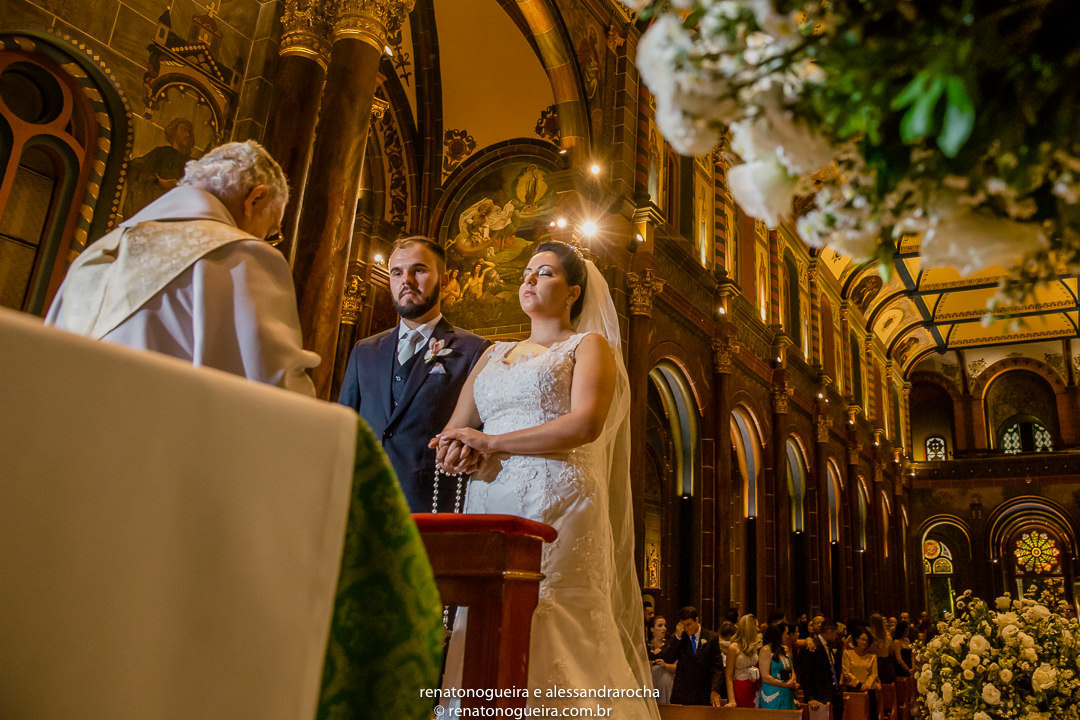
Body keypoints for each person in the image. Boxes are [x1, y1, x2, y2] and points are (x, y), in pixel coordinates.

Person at [433, 241, 658, 719]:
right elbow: (458, 426)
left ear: (574, 291)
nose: (530, 281)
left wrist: (491, 443)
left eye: (546, 273)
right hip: (492, 501)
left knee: (551, 613)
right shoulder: (494, 354)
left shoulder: (588, 346)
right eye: (527, 273)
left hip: (559, 500)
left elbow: (584, 425)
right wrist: (455, 450)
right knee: (486, 620)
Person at [47, 141, 318, 394]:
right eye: (271, 230)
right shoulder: (240, 256)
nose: (266, 241)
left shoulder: (95, 254)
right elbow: (274, 393)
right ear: (255, 199)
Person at [338, 236, 489, 512]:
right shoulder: (364, 351)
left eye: (418, 270)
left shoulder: (475, 351)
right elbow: (344, 427)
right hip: (364, 504)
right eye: (397, 272)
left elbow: (480, 432)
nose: (406, 279)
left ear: (443, 282)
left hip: (432, 504)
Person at [661, 606, 722, 706]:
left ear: (696, 620)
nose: (686, 628)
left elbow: (717, 668)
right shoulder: (679, 638)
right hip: (682, 694)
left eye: (689, 624)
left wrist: (715, 690)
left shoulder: (711, 638)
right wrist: (677, 638)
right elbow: (669, 658)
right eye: (684, 625)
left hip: (703, 694)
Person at [798, 619, 844, 720]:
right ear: (829, 631)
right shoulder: (813, 646)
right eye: (835, 632)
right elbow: (806, 674)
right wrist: (810, 697)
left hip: (832, 693)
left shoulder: (829, 645)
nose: (836, 636)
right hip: (818, 696)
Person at [721, 613, 761, 708]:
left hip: (753, 687)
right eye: (756, 626)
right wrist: (731, 700)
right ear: (749, 628)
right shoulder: (733, 647)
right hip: (740, 687)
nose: (758, 629)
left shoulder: (754, 646)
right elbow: (729, 676)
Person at [842, 629, 880, 719]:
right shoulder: (848, 653)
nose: (865, 642)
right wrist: (858, 685)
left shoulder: (872, 656)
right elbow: (846, 672)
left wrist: (866, 685)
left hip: (869, 690)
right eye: (862, 639)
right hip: (853, 689)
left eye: (867, 640)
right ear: (856, 639)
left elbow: (874, 674)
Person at [759, 622, 797, 709]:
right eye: (785, 633)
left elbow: (791, 669)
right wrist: (785, 684)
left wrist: (793, 680)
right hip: (773, 695)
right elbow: (765, 677)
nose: (787, 636)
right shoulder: (766, 650)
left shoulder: (785, 649)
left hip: (787, 693)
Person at [646, 615, 675, 704]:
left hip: (665, 678)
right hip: (649, 679)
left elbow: (678, 665)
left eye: (665, 625)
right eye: (660, 626)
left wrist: (665, 665)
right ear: (652, 629)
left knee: (664, 677)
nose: (664, 628)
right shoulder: (645, 646)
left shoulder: (669, 644)